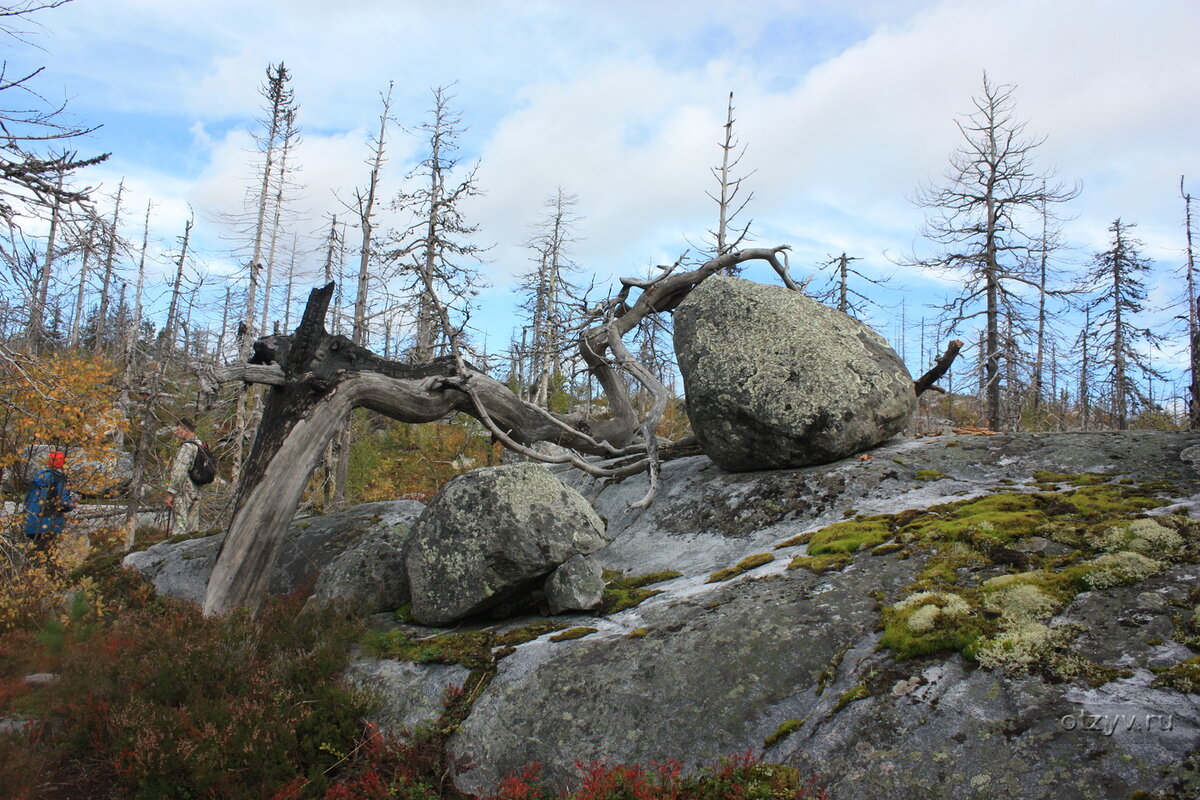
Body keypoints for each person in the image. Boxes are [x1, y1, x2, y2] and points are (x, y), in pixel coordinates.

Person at [23, 450, 74, 550]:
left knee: (34, 556)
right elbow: (63, 503)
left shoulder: (39, 477)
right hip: (48, 524)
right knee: (47, 556)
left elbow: (27, 500)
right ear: (63, 464)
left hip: (30, 523)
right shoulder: (59, 480)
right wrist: (73, 503)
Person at [165, 418, 206, 535]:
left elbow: (179, 471)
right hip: (197, 489)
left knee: (180, 528)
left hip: (184, 491)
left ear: (186, 430)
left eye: (178, 430)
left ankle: (178, 551)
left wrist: (171, 493)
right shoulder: (201, 444)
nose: (176, 432)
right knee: (193, 528)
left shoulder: (187, 447)